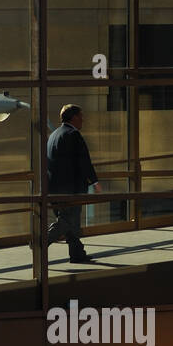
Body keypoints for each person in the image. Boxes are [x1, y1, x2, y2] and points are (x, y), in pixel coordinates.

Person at [46, 104, 102, 264]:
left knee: (72, 221)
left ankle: (77, 253)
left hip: (54, 188)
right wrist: (95, 182)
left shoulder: (54, 135)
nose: (83, 119)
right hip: (70, 189)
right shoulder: (73, 134)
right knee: (67, 221)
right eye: (81, 116)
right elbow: (84, 161)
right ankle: (42, 240)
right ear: (74, 117)